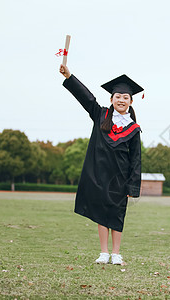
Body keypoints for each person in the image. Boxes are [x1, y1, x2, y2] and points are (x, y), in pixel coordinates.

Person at [59, 64, 142, 264]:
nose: (121, 100)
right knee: (100, 213)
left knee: (117, 214)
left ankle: (116, 253)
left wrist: (132, 185)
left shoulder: (133, 129)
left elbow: (136, 159)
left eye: (125, 97)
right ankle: (104, 252)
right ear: (111, 99)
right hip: (99, 175)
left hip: (119, 179)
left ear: (131, 101)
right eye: (117, 96)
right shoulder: (101, 116)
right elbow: (85, 97)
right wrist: (69, 76)